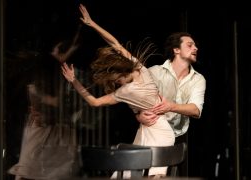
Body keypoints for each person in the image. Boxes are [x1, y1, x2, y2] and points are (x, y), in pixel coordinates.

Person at [60, 4, 175, 178]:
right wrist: (74, 81)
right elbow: (95, 101)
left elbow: (114, 44)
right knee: (125, 175)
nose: (118, 83)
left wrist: (92, 24)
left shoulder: (135, 76)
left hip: (160, 131)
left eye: (117, 80)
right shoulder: (133, 78)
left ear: (123, 71)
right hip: (146, 130)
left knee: (154, 175)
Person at [7, 25, 83, 180]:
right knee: (30, 161)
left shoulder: (61, 72)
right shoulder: (44, 68)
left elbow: (58, 102)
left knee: (53, 165)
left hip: (54, 126)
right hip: (42, 125)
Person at [136, 32, 206, 176]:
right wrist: (138, 115)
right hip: (152, 130)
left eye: (195, 45)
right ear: (176, 50)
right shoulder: (155, 72)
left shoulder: (198, 79)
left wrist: (171, 106)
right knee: (135, 171)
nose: (195, 48)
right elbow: (135, 98)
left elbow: (196, 110)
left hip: (179, 137)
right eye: (190, 45)